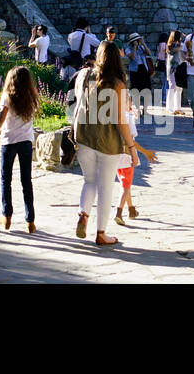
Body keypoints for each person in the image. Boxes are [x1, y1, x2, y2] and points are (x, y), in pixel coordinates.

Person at [71, 41, 157, 246]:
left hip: (83, 137)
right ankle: (101, 234)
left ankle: (83, 214)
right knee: (106, 186)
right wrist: (132, 148)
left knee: (89, 181)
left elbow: (77, 103)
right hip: (107, 141)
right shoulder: (117, 83)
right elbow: (121, 120)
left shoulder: (83, 75)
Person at [0, 65, 39, 233]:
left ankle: (6, 216)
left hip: (9, 141)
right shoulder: (31, 97)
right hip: (26, 141)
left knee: (6, 180)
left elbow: (0, 119)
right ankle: (30, 220)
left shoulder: (7, 97)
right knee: (26, 181)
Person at [114, 99, 153, 226]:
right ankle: (118, 212)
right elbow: (131, 139)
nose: (131, 104)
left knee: (125, 183)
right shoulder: (127, 117)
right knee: (125, 186)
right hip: (126, 154)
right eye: (129, 102)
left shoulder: (113, 115)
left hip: (115, 154)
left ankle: (131, 209)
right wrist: (145, 152)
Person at [124, 32, 154, 120]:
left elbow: (149, 53)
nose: (138, 42)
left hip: (143, 69)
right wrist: (134, 47)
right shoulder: (128, 48)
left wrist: (143, 43)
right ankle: (137, 109)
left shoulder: (141, 47)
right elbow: (132, 57)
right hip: (135, 71)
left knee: (146, 89)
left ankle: (145, 109)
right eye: (136, 40)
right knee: (135, 91)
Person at [165, 29, 188, 115]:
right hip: (172, 68)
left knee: (179, 88)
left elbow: (185, 54)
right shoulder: (171, 46)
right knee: (172, 87)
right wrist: (187, 40)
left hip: (180, 68)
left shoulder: (180, 45)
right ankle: (169, 107)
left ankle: (177, 107)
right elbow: (177, 49)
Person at [154, 32, 170, 101]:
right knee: (165, 82)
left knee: (163, 82)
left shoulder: (159, 44)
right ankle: (164, 98)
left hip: (160, 63)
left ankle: (163, 98)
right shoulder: (164, 44)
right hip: (164, 64)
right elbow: (166, 53)